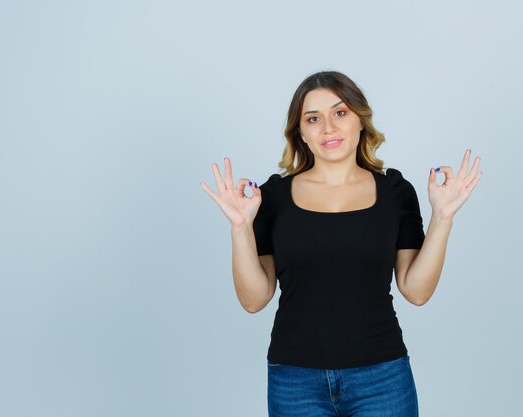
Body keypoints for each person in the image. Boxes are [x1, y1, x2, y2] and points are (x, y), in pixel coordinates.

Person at [200, 71, 482, 417]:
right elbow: (254, 299)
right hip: (294, 382)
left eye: (340, 113)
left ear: (361, 122)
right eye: (313, 118)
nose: (328, 128)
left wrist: (444, 217)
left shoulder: (394, 192)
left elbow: (416, 291)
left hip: (382, 379)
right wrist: (241, 227)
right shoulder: (273, 197)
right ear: (300, 133)